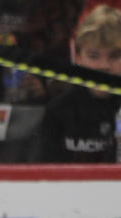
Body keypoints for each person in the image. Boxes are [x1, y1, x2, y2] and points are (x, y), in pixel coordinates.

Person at [37, 3, 121, 163]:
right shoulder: (59, 110)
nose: (104, 65)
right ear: (78, 58)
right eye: (94, 56)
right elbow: (43, 177)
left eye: (115, 55)